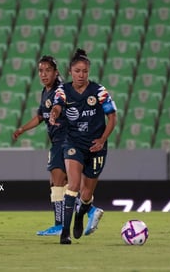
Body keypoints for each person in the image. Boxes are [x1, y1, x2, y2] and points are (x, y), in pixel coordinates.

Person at [12, 55, 104, 237]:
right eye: (41, 70)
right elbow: (40, 116)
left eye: (48, 70)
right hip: (58, 140)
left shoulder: (60, 90)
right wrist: (22, 129)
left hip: (65, 139)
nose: (44, 74)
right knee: (61, 182)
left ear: (56, 72)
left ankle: (61, 224)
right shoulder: (45, 91)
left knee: (58, 181)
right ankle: (88, 210)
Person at [49, 48, 117, 244]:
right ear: (70, 71)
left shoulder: (99, 92)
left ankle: (80, 215)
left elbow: (112, 117)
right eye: (77, 71)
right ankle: (65, 233)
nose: (81, 75)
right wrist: (54, 113)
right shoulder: (63, 91)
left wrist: (102, 139)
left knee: (87, 194)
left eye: (84, 71)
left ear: (89, 71)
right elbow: (58, 106)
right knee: (74, 185)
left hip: (96, 145)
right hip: (73, 143)